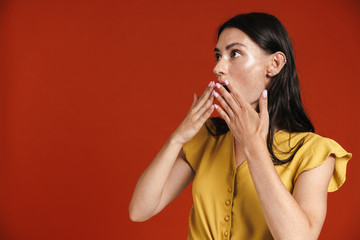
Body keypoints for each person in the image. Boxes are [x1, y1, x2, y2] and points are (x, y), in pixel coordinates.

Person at [129, 12, 352, 240]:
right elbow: (140, 210)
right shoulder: (208, 137)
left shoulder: (315, 152)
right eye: (218, 56)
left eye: (234, 53)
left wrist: (254, 147)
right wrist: (177, 138)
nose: (218, 68)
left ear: (274, 64)